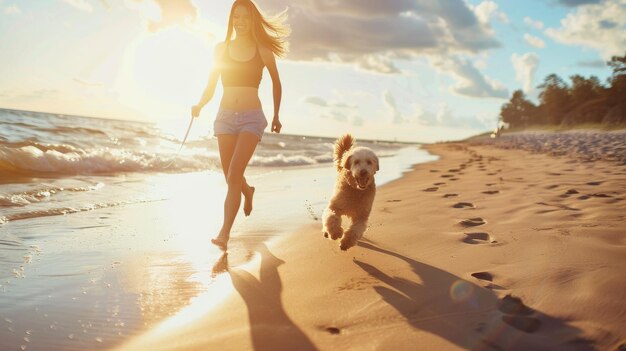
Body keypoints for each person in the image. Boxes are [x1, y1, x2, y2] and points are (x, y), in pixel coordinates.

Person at [191, 0, 289, 251]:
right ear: (231, 20)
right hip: (224, 117)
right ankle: (247, 190)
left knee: (233, 174)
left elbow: (277, 83)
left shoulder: (262, 49)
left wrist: (276, 115)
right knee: (230, 177)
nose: (241, 22)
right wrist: (200, 104)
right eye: (236, 17)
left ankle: (224, 233)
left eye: (245, 17)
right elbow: (212, 84)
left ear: (253, 20)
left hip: (251, 118)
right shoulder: (221, 49)